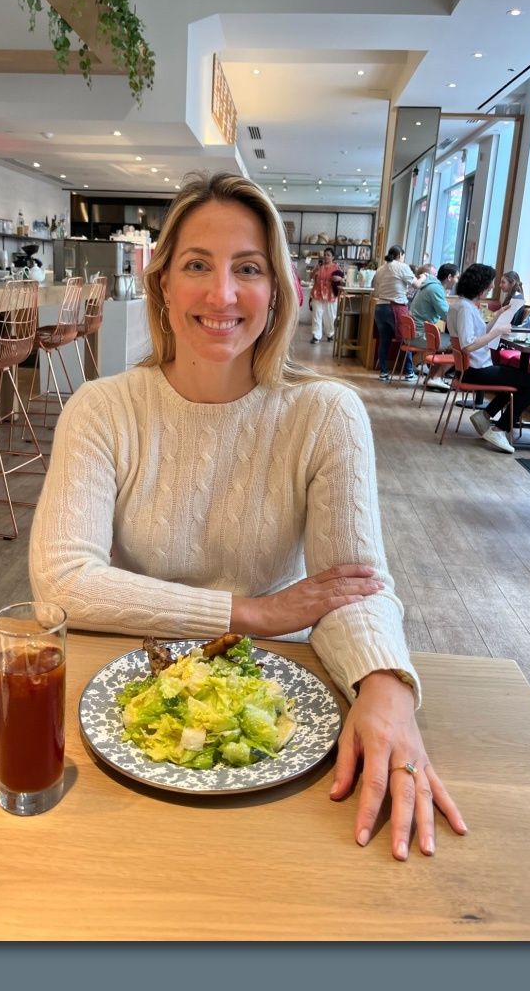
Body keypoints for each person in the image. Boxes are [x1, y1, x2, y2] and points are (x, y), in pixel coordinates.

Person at [30, 172, 467, 861]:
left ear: (278, 293)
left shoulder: (325, 415)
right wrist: (254, 613)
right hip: (132, 704)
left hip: (272, 713)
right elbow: (62, 584)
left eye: (249, 269)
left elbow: (350, 588)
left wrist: (386, 689)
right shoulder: (102, 409)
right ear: (163, 285)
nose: (222, 294)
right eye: (197, 265)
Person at [444, 263, 530, 455]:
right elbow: (468, 345)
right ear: (480, 285)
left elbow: (476, 334)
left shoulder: (460, 305)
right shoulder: (466, 308)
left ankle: (486, 415)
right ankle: (499, 429)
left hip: (469, 369)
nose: (492, 287)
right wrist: (498, 330)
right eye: (490, 283)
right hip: (476, 371)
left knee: (519, 379)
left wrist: (496, 318)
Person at [371, 245, 416, 381]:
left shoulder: (380, 269)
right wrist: (425, 277)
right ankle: (409, 372)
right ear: (400, 255)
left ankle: (384, 372)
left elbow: (374, 286)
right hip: (395, 307)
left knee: (384, 341)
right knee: (406, 339)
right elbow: (417, 284)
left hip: (380, 307)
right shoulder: (402, 266)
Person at [413, 264, 456, 391]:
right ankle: (435, 378)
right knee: (460, 347)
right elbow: (447, 315)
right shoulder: (436, 289)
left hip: (417, 332)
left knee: (454, 343)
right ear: (449, 277)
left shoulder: (430, 286)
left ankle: (432, 378)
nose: (457, 281)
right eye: (457, 277)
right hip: (421, 335)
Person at [308, 248, 344, 344]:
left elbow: (343, 279)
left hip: (331, 294)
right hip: (317, 293)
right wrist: (314, 270)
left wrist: (339, 278)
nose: (326, 257)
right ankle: (316, 336)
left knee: (330, 316)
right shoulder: (319, 266)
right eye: (325, 255)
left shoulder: (337, 267)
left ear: (332, 257)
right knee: (317, 314)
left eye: (328, 255)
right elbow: (310, 277)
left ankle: (330, 334)